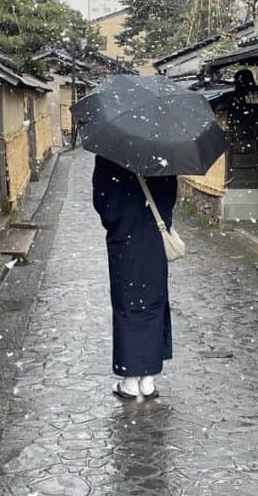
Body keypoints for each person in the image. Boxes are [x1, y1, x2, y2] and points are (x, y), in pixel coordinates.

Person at [91, 154, 178, 400]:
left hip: (124, 238)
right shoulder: (165, 151)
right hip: (153, 236)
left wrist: (117, 220)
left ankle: (130, 380)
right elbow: (169, 196)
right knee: (153, 301)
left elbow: (101, 199)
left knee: (126, 303)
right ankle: (148, 379)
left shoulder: (110, 153)